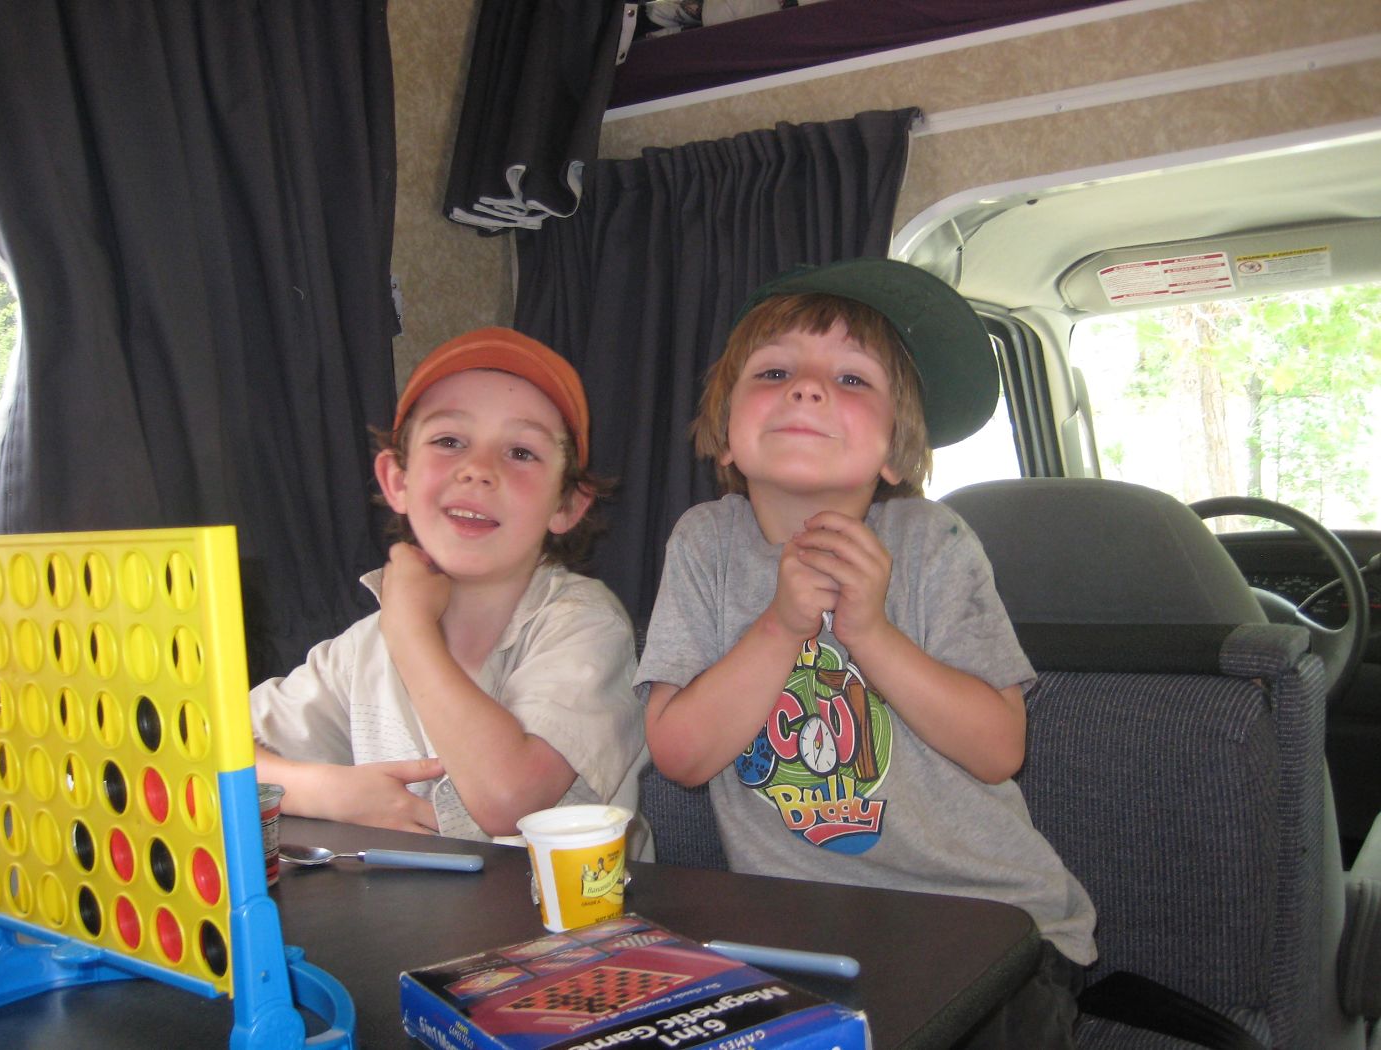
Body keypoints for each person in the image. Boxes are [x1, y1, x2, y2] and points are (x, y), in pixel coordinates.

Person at [635, 259, 1095, 1046]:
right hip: (802, 928)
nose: (807, 390)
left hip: (988, 918)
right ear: (728, 435)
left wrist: (870, 631)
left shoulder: (932, 542)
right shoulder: (706, 544)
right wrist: (779, 626)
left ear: (894, 455)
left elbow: (999, 749)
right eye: (774, 371)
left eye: (851, 379)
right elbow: (680, 755)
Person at [251, 327, 649, 855]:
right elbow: (203, 754)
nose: (478, 470)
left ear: (567, 505)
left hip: (561, 907)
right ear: (397, 480)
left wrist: (411, 631)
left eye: (521, 452)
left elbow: (509, 798)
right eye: (449, 441)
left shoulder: (585, 623)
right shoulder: (364, 648)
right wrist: (332, 793)